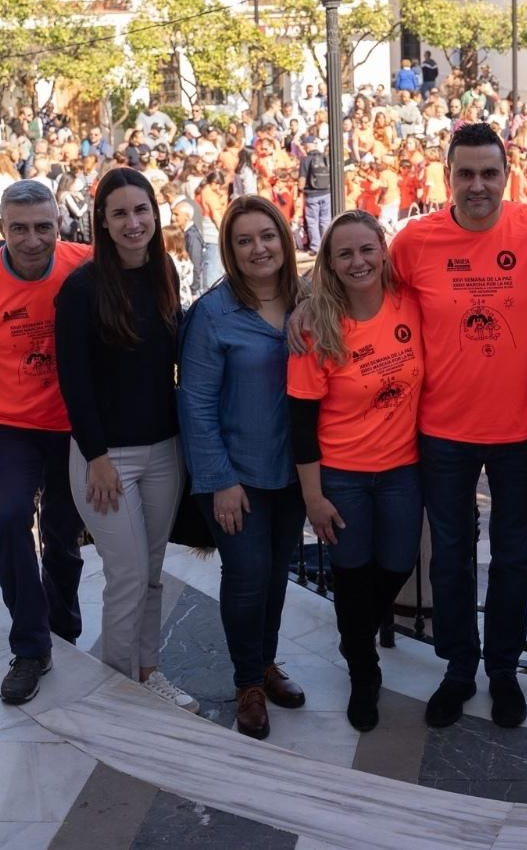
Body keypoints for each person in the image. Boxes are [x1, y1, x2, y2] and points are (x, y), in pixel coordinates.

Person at [386, 123, 527, 730]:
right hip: (442, 430)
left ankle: (504, 670)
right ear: (447, 176)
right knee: (451, 556)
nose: (478, 185)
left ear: (506, 175)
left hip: (522, 432)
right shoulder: (413, 242)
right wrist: (310, 302)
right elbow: (364, 294)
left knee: (514, 557)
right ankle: (459, 668)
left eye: (490, 173)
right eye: (466, 173)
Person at [0, 180, 90, 704]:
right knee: (6, 520)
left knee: (63, 533)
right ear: (1, 228)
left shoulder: (84, 266)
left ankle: (63, 627)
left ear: (59, 224)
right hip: (7, 424)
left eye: (43, 227)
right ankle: (30, 644)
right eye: (20, 229)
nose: (32, 240)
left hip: (72, 425)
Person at [54, 167, 196, 711]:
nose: (133, 222)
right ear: (103, 223)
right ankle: (117, 692)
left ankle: (147, 670)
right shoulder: (81, 289)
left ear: (155, 215)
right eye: (120, 214)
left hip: (164, 451)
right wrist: (96, 456)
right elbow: (75, 380)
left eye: (141, 211)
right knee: (128, 574)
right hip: (107, 457)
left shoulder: (164, 273)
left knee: (152, 571)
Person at [287, 210, 423, 733]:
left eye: (367, 249)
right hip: (342, 474)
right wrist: (313, 498)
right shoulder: (317, 326)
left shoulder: (408, 303)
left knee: (396, 562)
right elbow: (302, 423)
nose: (358, 261)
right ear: (329, 262)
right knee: (351, 570)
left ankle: (354, 636)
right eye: (345, 253)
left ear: (383, 251)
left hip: (401, 470)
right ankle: (363, 673)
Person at [179, 197, 308, 739]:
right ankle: (247, 683)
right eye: (244, 240)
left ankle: (266, 663)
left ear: (283, 239)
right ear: (229, 251)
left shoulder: (309, 301)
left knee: (277, 575)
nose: (259, 249)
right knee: (248, 576)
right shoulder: (214, 313)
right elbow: (196, 402)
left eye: (267, 236)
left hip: (293, 471)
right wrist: (221, 481)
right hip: (236, 475)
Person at [300, 138, 332, 254]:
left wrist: (300, 189)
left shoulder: (305, 159)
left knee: (313, 221)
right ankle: (327, 245)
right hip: (326, 192)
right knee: (325, 220)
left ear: (307, 146)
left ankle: (315, 247)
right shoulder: (325, 157)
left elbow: (301, 180)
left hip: (312, 194)